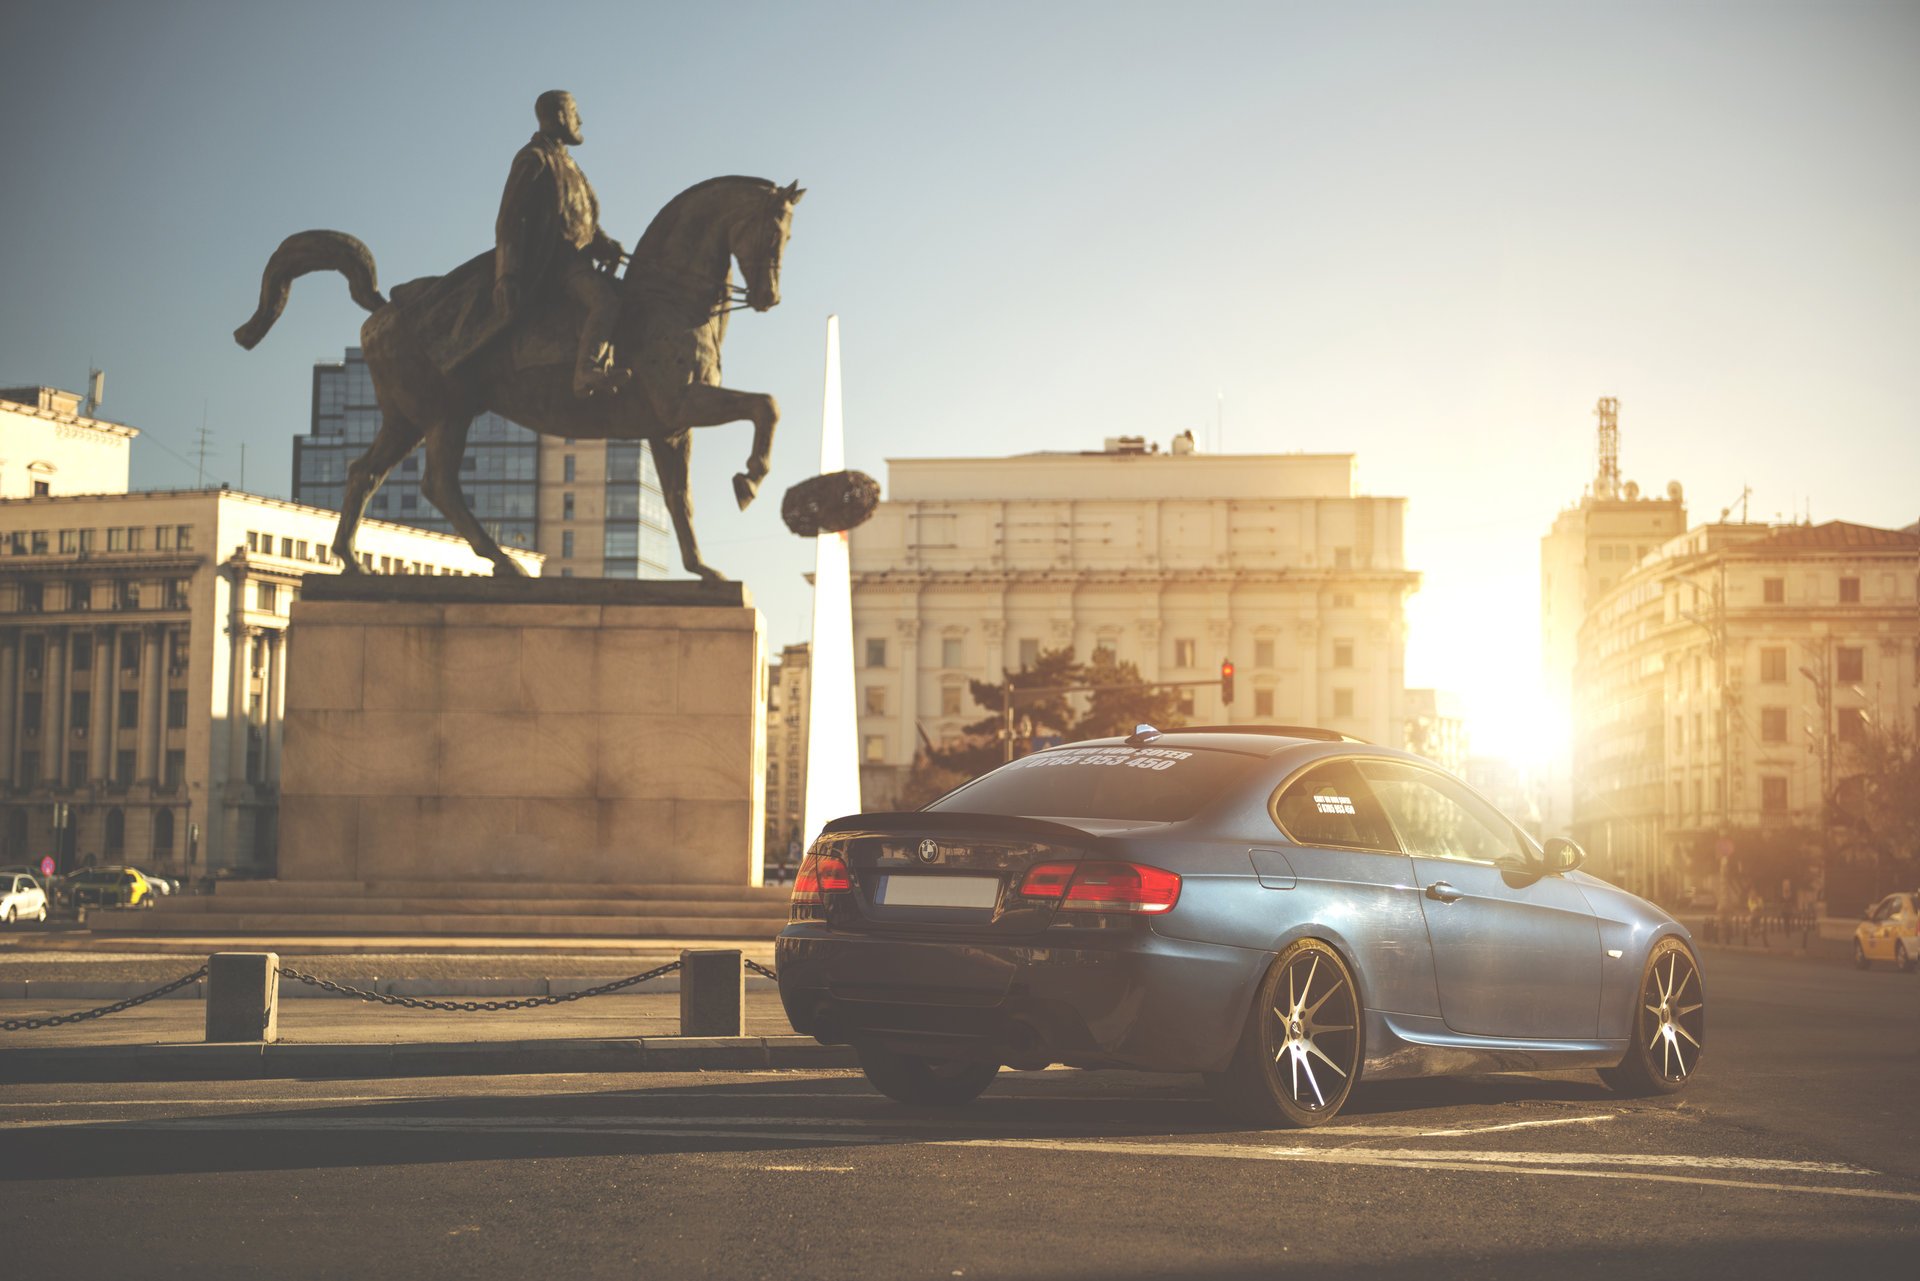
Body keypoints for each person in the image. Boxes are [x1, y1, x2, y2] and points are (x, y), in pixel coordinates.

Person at [490, 90, 628, 397]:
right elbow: (509, 219)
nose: (580, 120)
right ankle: (587, 371)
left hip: (577, 259)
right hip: (556, 263)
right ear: (560, 116)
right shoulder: (534, 158)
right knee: (605, 302)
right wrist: (507, 273)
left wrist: (604, 242)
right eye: (575, 111)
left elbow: (579, 217)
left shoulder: (568, 164)